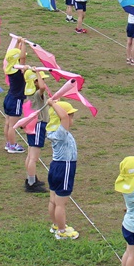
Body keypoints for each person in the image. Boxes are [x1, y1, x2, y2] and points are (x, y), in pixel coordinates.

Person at [47, 101, 80, 240]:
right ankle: (61, 231)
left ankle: (56, 225)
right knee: (61, 203)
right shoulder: (61, 132)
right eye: (71, 116)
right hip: (65, 168)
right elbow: (64, 117)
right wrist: (52, 104)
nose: (71, 119)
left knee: (53, 200)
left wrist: (54, 103)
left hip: (55, 167)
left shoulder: (52, 130)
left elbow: (62, 117)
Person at [22, 69, 50, 194]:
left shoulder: (30, 94)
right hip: (38, 125)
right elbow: (43, 87)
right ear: (35, 82)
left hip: (32, 126)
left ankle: (30, 178)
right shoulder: (37, 94)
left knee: (30, 155)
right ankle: (31, 184)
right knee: (34, 157)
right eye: (41, 79)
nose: (43, 81)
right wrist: (38, 72)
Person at [2, 45, 28, 154]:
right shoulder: (19, 70)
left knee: (8, 123)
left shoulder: (10, 67)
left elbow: (18, 56)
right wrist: (24, 43)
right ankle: (12, 146)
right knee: (13, 126)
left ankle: (9, 143)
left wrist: (19, 43)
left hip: (9, 98)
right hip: (16, 100)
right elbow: (23, 58)